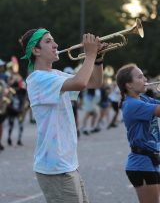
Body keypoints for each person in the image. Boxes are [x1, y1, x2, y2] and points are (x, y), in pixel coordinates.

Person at [19, 27, 107, 203]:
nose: (55, 44)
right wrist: (89, 54)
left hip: (67, 164)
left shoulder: (56, 74)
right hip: (56, 167)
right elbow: (80, 83)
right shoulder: (37, 78)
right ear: (36, 50)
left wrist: (97, 59)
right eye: (48, 41)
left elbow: (95, 82)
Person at [116, 63, 160, 203]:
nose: (145, 79)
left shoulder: (143, 99)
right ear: (129, 85)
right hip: (142, 164)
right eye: (140, 77)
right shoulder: (132, 104)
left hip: (150, 161)